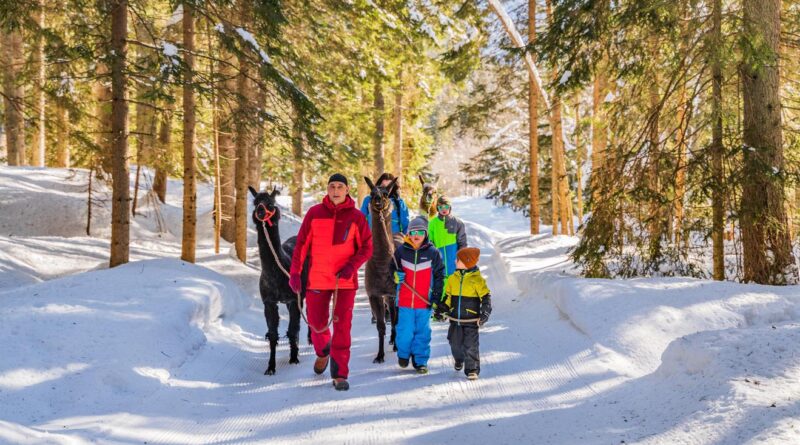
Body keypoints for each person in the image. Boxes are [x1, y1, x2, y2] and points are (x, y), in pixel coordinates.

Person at [289, 173, 373, 391]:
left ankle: (340, 373)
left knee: (342, 326)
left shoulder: (357, 217)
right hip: (317, 278)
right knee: (317, 324)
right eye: (332, 186)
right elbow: (301, 245)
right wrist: (295, 273)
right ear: (327, 190)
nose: (336, 190)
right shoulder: (314, 214)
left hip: (344, 281)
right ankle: (323, 351)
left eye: (340, 187)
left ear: (347, 190)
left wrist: (351, 266)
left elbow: (367, 247)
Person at [390, 217, 445, 374]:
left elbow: (440, 276)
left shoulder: (433, 253)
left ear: (426, 234)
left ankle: (420, 361)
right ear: (408, 233)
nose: (416, 235)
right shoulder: (401, 251)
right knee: (404, 330)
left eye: (420, 232)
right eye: (413, 232)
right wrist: (395, 275)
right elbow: (390, 269)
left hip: (424, 302)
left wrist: (436, 297)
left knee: (423, 332)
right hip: (405, 301)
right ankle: (403, 354)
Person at [435, 247, 492, 380]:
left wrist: (485, 312)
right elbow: (448, 297)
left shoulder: (478, 280)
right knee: (454, 343)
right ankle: (459, 359)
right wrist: (442, 309)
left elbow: (486, 298)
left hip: (471, 320)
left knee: (471, 345)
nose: (455, 261)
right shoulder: (451, 279)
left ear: (466, 262)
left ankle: (472, 369)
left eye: (458, 259)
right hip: (455, 319)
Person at [428, 195, 467, 278]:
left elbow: (462, 242)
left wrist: (461, 258)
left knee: (453, 283)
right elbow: (429, 240)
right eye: (440, 207)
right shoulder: (432, 223)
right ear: (437, 208)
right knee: (440, 282)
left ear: (450, 207)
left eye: (446, 206)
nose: (444, 209)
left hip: (453, 260)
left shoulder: (457, 223)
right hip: (438, 260)